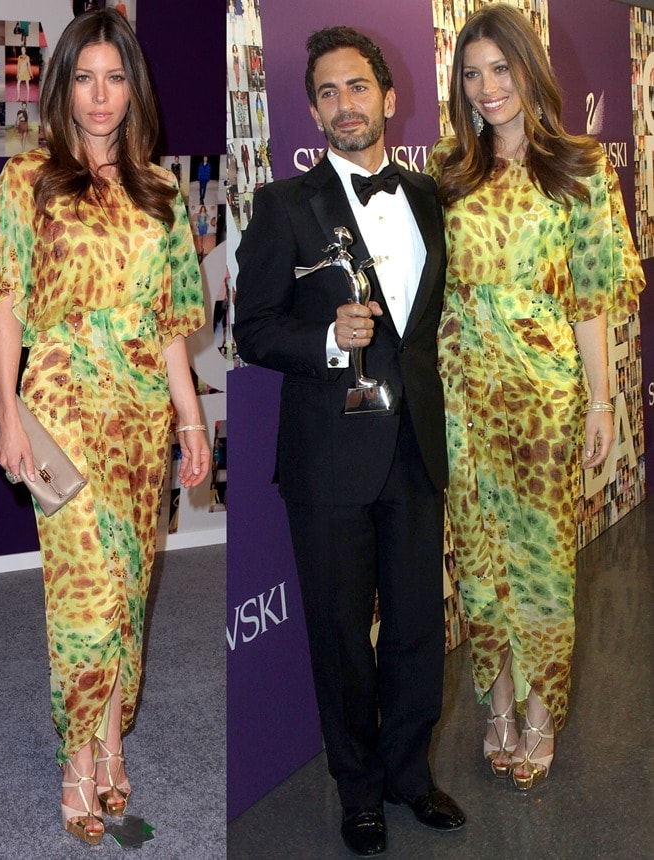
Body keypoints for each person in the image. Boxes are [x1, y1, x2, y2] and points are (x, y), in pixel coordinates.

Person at [234, 25, 465, 857]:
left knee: (413, 627)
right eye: (327, 93)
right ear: (312, 110)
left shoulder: (429, 196)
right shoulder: (283, 207)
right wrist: (329, 341)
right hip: (329, 458)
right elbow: (252, 330)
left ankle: (409, 776)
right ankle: (358, 790)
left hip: (414, 447)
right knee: (341, 636)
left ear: (388, 96)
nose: (344, 105)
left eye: (357, 88)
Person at [0, 9, 210, 845]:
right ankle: (78, 758)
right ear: (63, 85)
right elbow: (6, 307)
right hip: (63, 405)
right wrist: (9, 412)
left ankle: (114, 738)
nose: (102, 95)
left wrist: (190, 423)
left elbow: (173, 325)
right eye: (85, 77)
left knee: (128, 589)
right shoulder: (27, 180)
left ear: (134, 86)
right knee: (82, 595)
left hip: (141, 418)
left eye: (116, 78)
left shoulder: (159, 190)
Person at [423, 2, 645, 792]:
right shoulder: (450, 173)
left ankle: (543, 710)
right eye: (473, 74)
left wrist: (601, 402)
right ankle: (499, 701)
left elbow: (593, 298)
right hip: (463, 399)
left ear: (528, 68)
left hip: (545, 397)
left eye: (501, 69)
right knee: (480, 563)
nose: (488, 88)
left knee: (544, 564)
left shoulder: (579, 166)